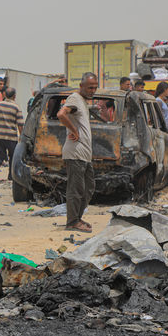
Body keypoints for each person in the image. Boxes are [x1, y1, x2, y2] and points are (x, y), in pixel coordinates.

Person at [57, 72, 97, 233]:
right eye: (89, 87)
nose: (93, 91)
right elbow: (61, 114)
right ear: (81, 86)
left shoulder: (82, 102)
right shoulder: (74, 98)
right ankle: (72, 221)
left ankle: (77, 218)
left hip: (84, 154)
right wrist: (73, 130)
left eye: (94, 87)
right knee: (76, 189)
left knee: (88, 188)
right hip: (75, 153)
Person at [0, 87, 23, 182]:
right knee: (13, 156)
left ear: (5, 95)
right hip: (11, 137)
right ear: (14, 96)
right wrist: (22, 137)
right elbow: (20, 124)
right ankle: (11, 176)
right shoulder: (16, 107)